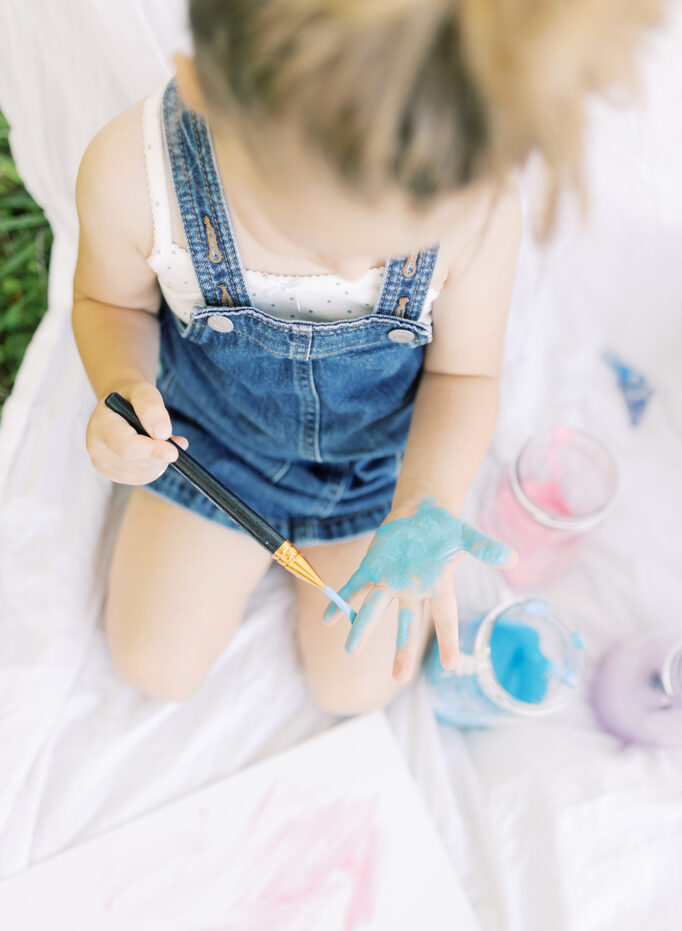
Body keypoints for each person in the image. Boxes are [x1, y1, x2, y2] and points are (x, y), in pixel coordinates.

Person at [71, 0, 660, 712]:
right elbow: (112, 305)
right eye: (309, 232)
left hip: (378, 469)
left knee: (358, 690)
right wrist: (122, 385)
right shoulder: (134, 177)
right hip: (209, 443)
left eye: (393, 247)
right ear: (209, 96)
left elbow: (464, 374)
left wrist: (425, 503)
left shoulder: (478, 208)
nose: (353, 266)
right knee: (152, 666)